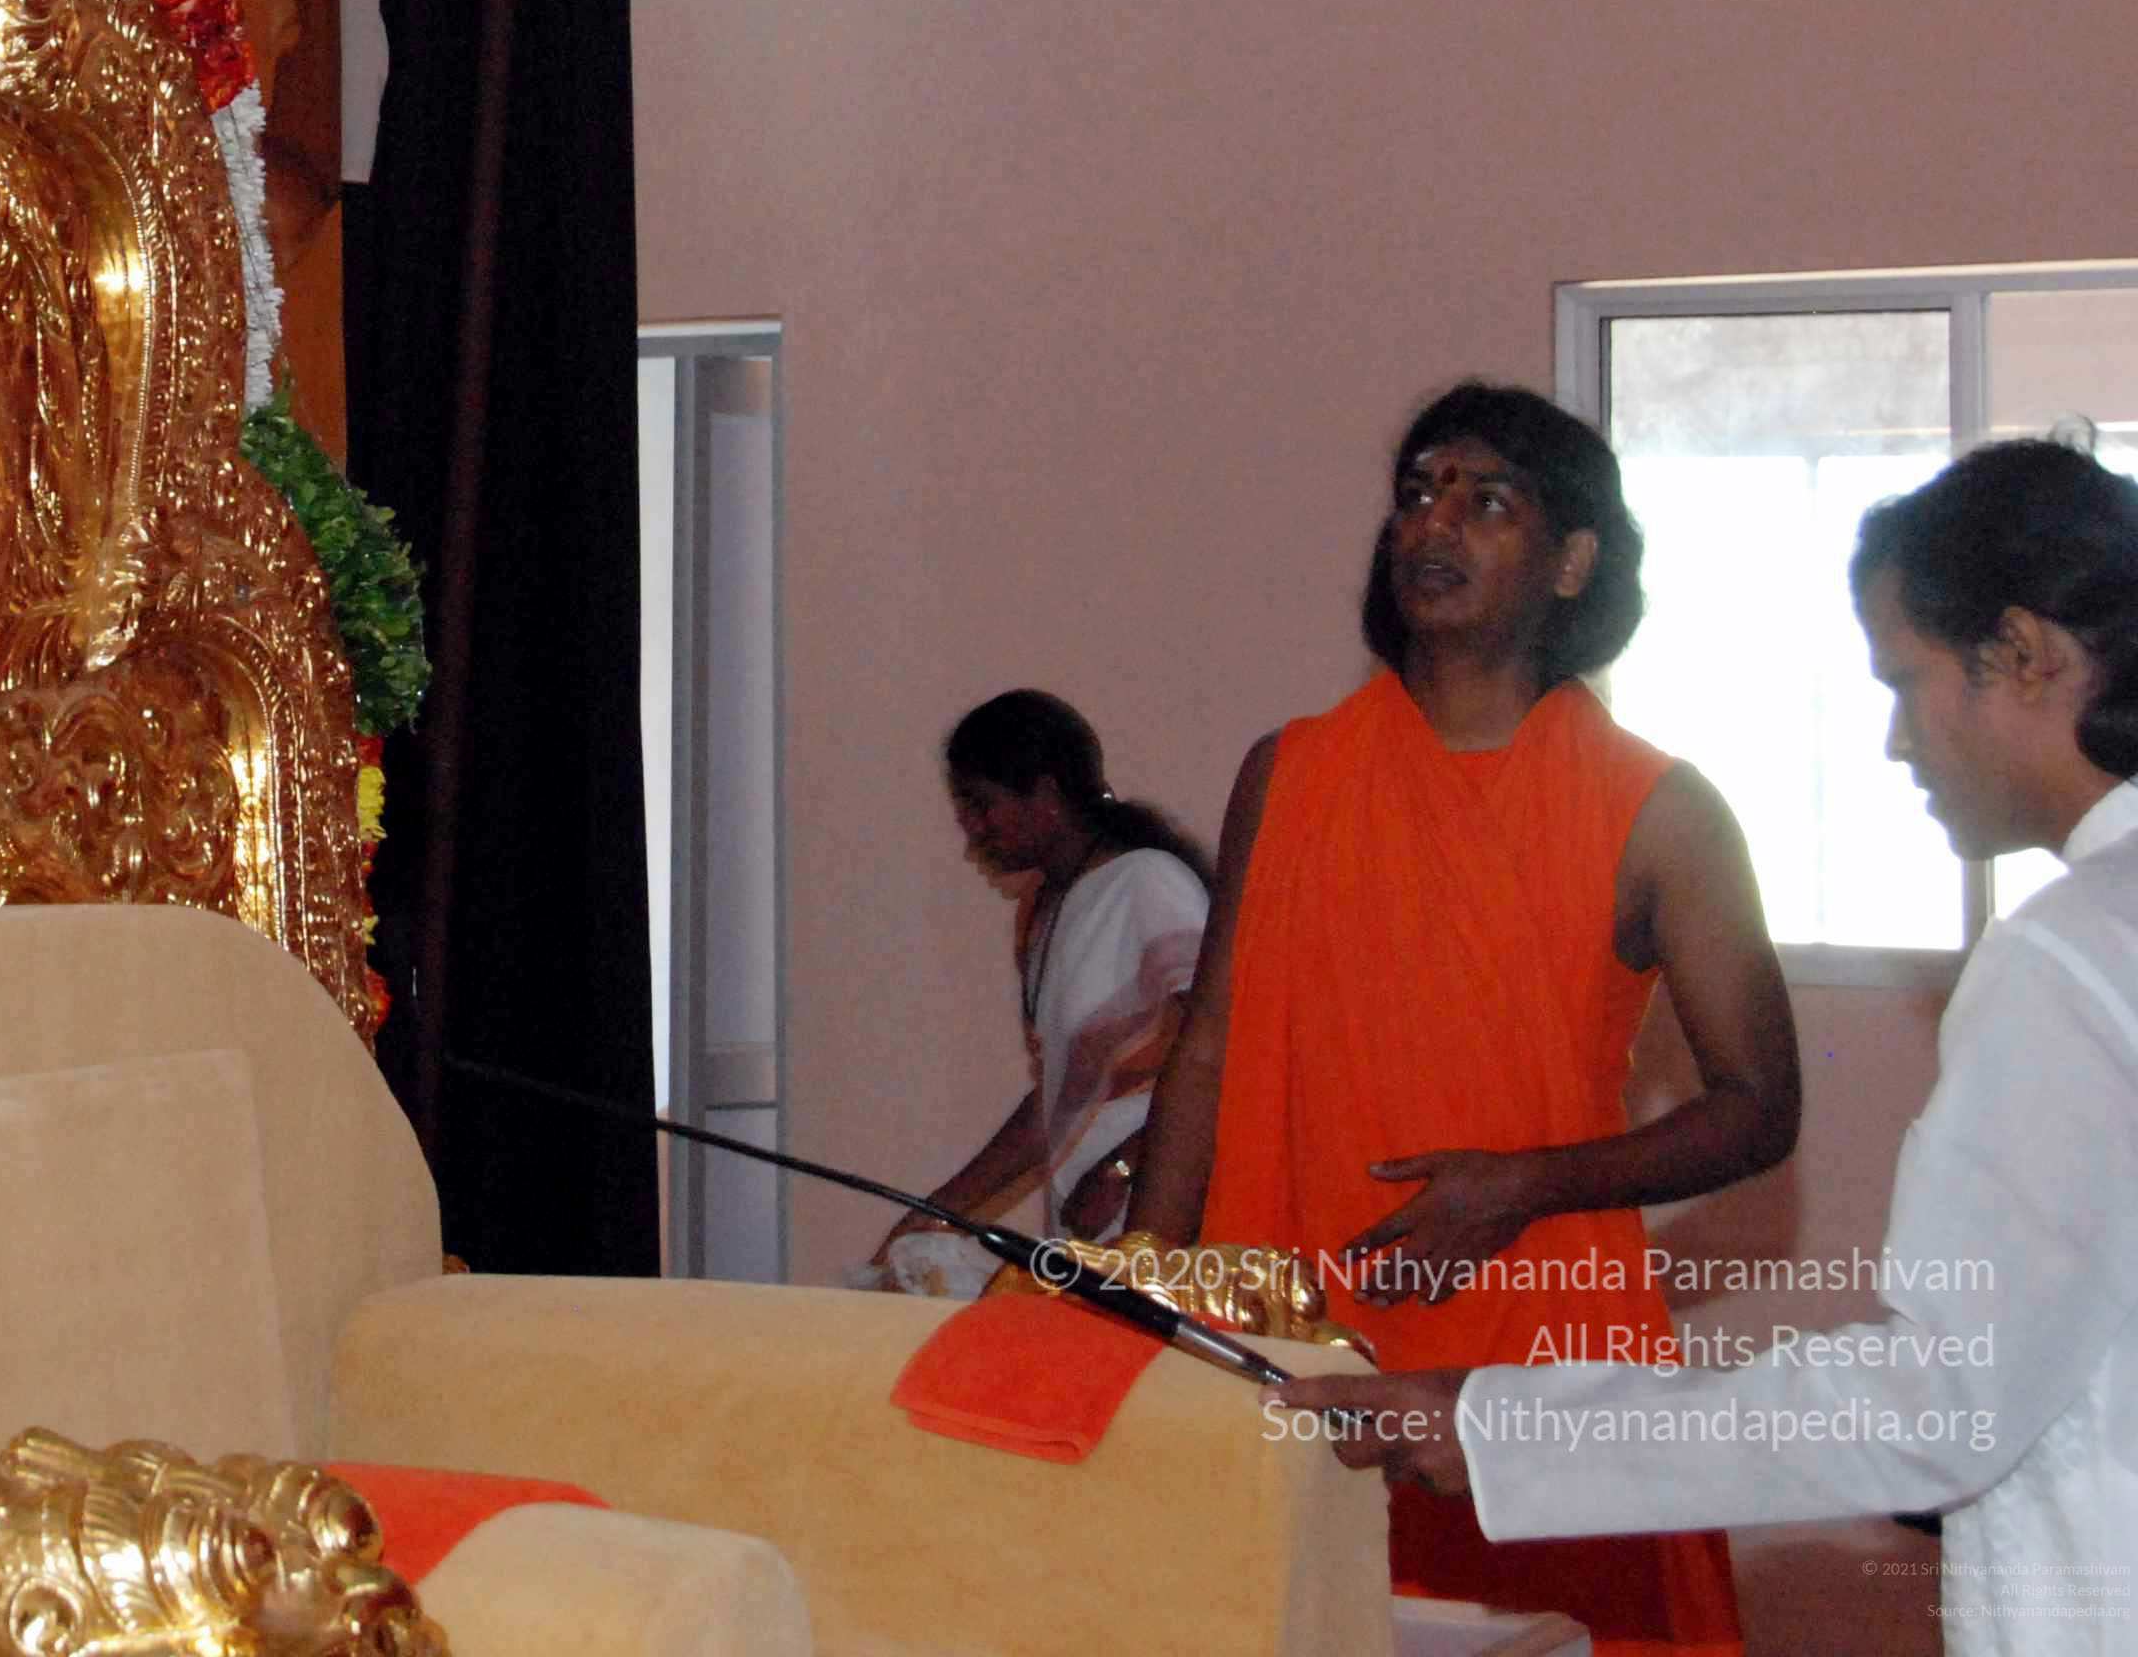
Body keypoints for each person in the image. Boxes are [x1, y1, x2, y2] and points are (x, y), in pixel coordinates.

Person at [1285, 439, 2138, 1657]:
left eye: (1904, 683)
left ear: (2021, 654)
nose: (1897, 743)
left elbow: (1937, 1404)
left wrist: (1495, 1427)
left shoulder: (2062, 959)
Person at [1126, 383, 1801, 1656]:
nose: (1432, 522)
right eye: (1417, 493)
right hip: (1287, 1329)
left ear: (1571, 561)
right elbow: (1206, 1045)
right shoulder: (1288, 771)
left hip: (1536, 1342)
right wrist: (1140, 1286)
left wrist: (1524, 1185)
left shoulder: (1660, 810)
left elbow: (1759, 1108)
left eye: (1486, 500)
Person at [866, 691, 1208, 1291]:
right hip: (1086, 1235)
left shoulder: (1149, 882)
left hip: (1165, 1229)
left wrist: (1123, 1168)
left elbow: (1224, 1058)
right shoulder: (1042, 913)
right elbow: (1055, 1104)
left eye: (982, 805)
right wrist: (936, 1211)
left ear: (1047, 795)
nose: (971, 828)